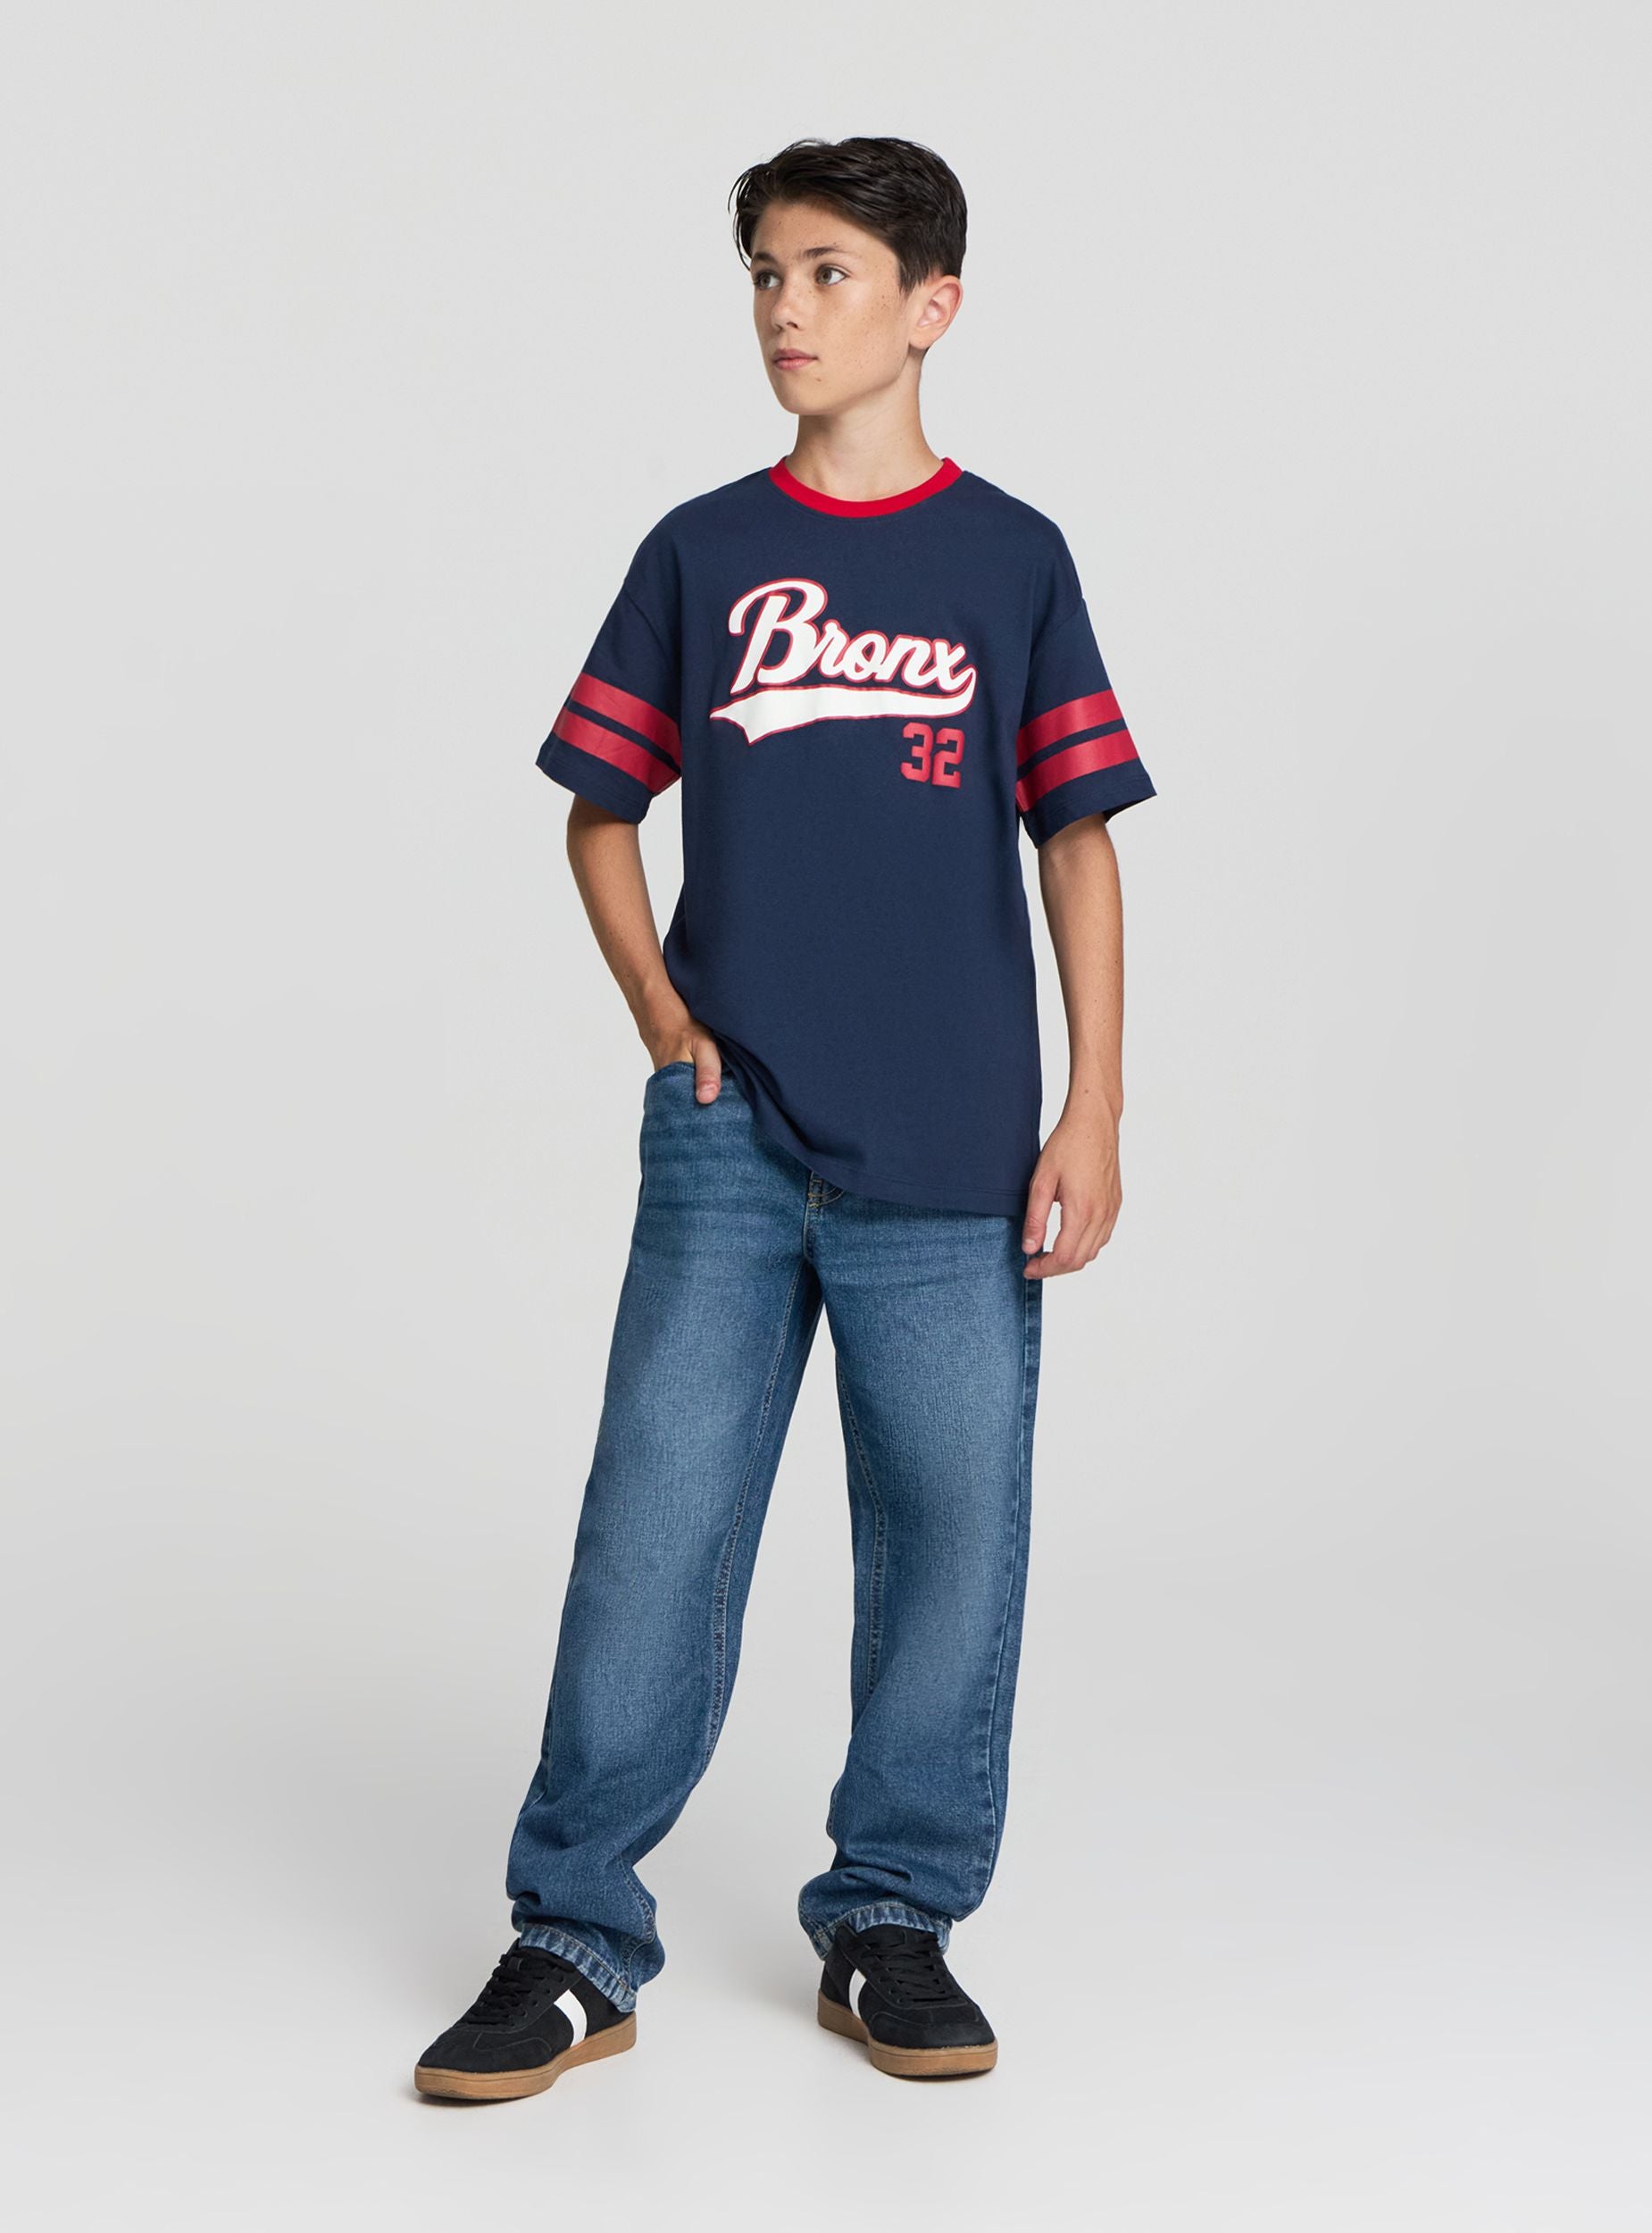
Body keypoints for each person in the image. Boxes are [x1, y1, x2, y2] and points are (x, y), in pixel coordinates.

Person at [413, 133, 1156, 2102]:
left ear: (931, 306)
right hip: (729, 1144)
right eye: (763, 273)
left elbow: (1077, 839)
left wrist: (1092, 1106)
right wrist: (664, 1017)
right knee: (653, 1526)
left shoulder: (1011, 558)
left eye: (827, 272)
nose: (784, 309)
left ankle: (892, 1917)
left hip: (957, 1144)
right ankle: (573, 1937)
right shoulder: (701, 550)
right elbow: (599, 812)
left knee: (947, 1540)